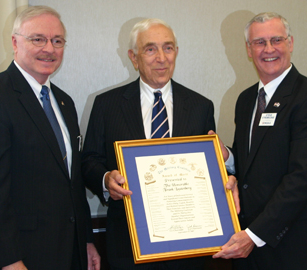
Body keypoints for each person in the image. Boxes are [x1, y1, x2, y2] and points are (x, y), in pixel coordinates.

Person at [0, 6, 100, 270]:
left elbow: (73, 181)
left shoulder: (64, 102)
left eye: (57, 41)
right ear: (15, 42)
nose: (49, 48)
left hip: (69, 252)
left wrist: (87, 241)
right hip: (19, 257)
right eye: (38, 39)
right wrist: (9, 261)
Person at [81, 18, 217, 269]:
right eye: (150, 49)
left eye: (168, 47)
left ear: (176, 52)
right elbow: (89, 161)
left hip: (188, 246)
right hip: (127, 243)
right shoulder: (106, 105)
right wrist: (105, 179)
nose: (161, 58)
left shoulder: (201, 106)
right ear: (134, 58)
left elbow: (210, 170)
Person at [213, 12, 307, 269]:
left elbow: (303, 178)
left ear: (290, 43)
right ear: (249, 50)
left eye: (277, 40)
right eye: (259, 42)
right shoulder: (246, 99)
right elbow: (253, 162)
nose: (269, 49)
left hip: (300, 247)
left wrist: (253, 235)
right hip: (254, 249)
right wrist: (227, 156)